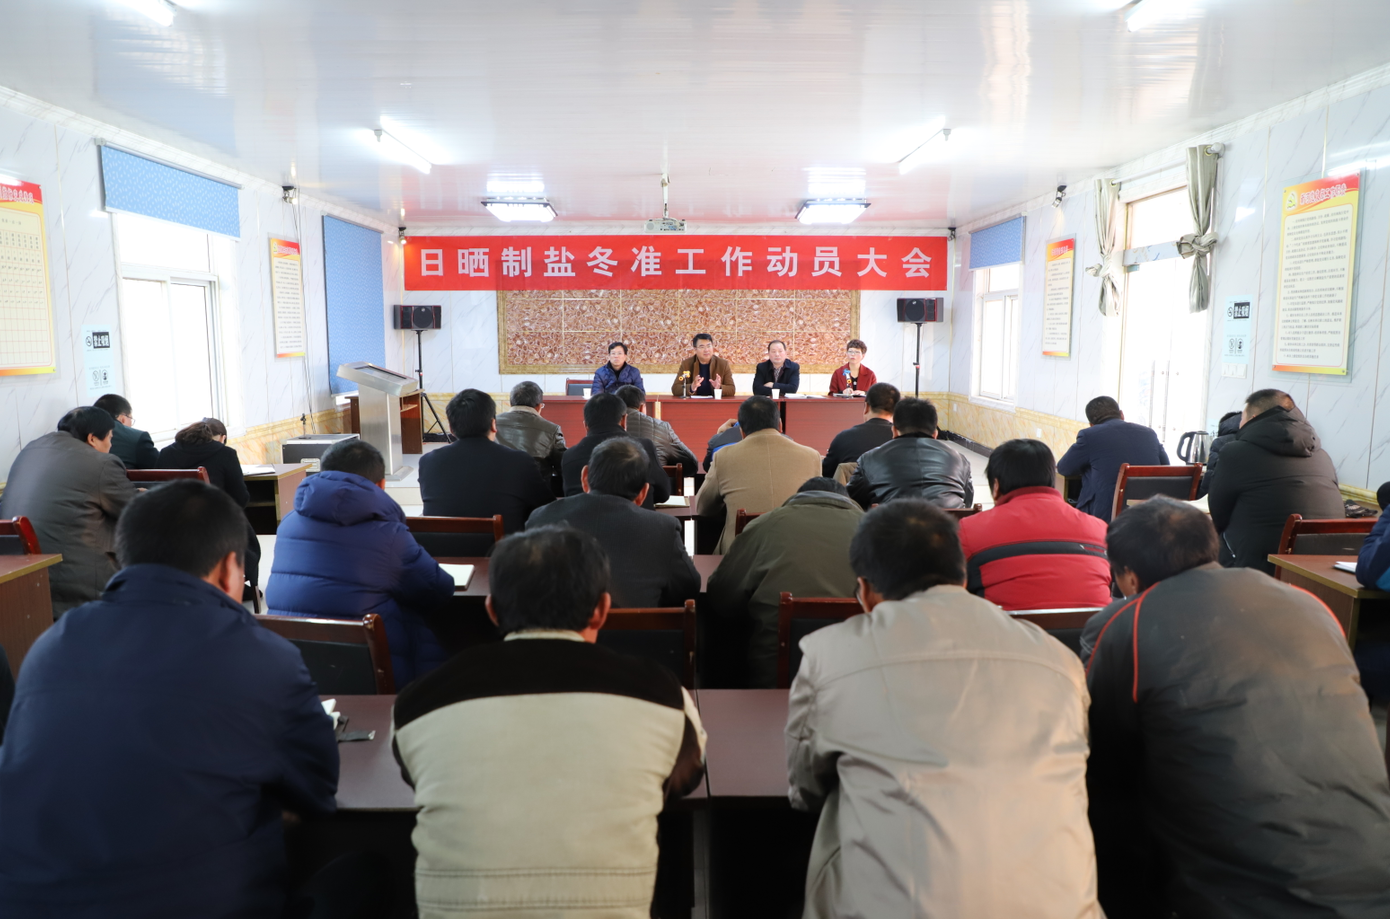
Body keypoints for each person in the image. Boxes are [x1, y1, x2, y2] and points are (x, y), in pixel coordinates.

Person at [0, 480, 354, 918]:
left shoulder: (52, 644)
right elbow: (316, 793)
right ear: (229, 569)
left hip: (26, 904)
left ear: (121, 558)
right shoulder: (262, 655)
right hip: (199, 903)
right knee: (361, 874)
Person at [786, 500, 1099, 918]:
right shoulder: (1057, 658)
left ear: (866, 591)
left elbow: (805, 788)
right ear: (963, 577)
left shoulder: (830, 653)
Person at [1083, 497, 1390, 918]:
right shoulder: (1309, 605)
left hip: (1239, 902)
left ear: (1128, 577)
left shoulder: (1128, 625)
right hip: (1375, 879)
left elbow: (1103, 764)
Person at [391, 526, 706, 917]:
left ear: (492, 610)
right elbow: (686, 777)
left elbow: (414, 776)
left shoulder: (417, 702)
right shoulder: (661, 694)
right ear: (602, 610)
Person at [266, 439, 455, 687]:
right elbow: (439, 589)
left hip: (293, 667)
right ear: (381, 485)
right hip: (367, 673)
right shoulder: (389, 536)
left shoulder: (288, 523)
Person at [705, 477, 862, 687]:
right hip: (863, 679)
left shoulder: (766, 524)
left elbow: (721, 597)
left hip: (773, 680)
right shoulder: (877, 532)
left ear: (798, 498)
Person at [527, 437, 698, 608]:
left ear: (584, 477)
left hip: (559, 624)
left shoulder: (541, 518)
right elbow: (689, 587)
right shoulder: (663, 529)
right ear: (643, 493)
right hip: (634, 626)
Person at [0, 407, 137, 616]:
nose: (111, 446)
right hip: (76, 583)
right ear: (92, 438)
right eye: (110, 438)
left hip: (20, 576)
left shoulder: (30, 450)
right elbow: (138, 511)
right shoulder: (100, 463)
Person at [959, 438, 1111, 610]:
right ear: (1051, 480)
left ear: (996, 487)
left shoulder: (969, 530)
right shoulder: (1100, 530)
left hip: (1004, 627)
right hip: (1092, 627)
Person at [1208, 389, 1344, 573]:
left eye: (1241, 418)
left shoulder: (1235, 452)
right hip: (1321, 568)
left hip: (1259, 568)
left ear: (1252, 418)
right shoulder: (1322, 455)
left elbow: (1218, 515)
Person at [419, 389, 554, 553]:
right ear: (493, 424)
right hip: (503, 558)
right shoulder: (519, 461)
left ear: (451, 429)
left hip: (442, 556)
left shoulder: (428, 462)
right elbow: (547, 508)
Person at [694, 396, 821, 553]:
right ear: (780, 425)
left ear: (742, 432)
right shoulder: (811, 456)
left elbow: (703, 508)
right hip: (796, 553)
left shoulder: (723, 457)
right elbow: (817, 510)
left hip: (740, 556)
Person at [157, 417, 262, 593]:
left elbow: (158, 493)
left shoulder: (166, 453)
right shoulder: (225, 454)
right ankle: (234, 586)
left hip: (173, 530)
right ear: (220, 437)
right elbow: (241, 497)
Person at [1056, 396, 1169, 523]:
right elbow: (1165, 467)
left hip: (1105, 516)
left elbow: (1064, 468)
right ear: (1122, 414)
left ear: (1091, 424)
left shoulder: (1089, 435)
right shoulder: (1149, 433)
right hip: (1150, 513)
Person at [847, 397, 973, 509]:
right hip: (948, 526)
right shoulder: (960, 460)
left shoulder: (869, 459)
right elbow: (967, 503)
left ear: (894, 431)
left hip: (890, 526)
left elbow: (853, 503)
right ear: (935, 434)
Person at [561, 392, 671, 508]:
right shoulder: (644, 447)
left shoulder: (569, 455)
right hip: (638, 518)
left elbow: (569, 496)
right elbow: (663, 494)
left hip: (583, 519)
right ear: (624, 420)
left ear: (586, 426)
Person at [494, 380, 567, 492]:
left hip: (496, 490)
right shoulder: (551, 429)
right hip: (534, 495)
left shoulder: (492, 423)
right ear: (538, 407)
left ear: (511, 403)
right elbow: (564, 468)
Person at [616, 383, 698, 475]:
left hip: (614, 483)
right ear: (642, 407)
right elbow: (692, 464)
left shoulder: (606, 426)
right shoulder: (662, 427)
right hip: (653, 483)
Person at [821, 382, 899, 477]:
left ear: (867, 407)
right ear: (896, 411)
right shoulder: (902, 442)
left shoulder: (843, 438)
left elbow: (826, 474)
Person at [93, 393, 159, 469]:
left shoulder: (85, 432)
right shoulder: (137, 438)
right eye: (131, 419)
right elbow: (159, 467)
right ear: (123, 418)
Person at [1194, 409, 1242, 498]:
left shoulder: (1219, 442)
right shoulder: (1254, 439)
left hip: (1223, 496)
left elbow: (1211, 474)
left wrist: (1201, 496)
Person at [671, 332, 735, 398]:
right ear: (695, 349)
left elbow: (732, 389)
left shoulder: (723, 364)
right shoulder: (686, 364)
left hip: (715, 403)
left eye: (709, 346)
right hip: (694, 403)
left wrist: (719, 387)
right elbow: (675, 389)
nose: (706, 350)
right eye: (702, 347)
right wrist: (691, 387)